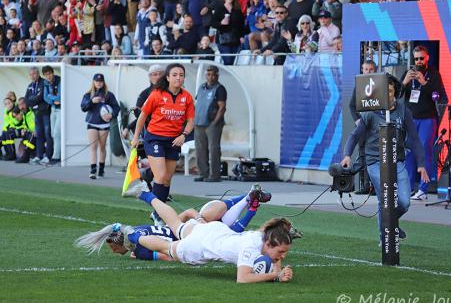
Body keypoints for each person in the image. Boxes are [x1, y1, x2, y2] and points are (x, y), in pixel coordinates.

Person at [122, 188, 294, 283]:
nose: (283, 256)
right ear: (270, 243)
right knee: (166, 248)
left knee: (175, 224)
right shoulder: (250, 248)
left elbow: (274, 255)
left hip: (214, 230)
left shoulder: (263, 236)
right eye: (281, 251)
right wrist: (275, 275)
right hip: (200, 246)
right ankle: (133, 236)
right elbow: (243, 278)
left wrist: (279, 272)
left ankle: (146, 194)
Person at [77, 184, 272, 261]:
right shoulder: (250, 242)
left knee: (172, 247)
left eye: (112, 247)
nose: (113, 251)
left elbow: (167, 255)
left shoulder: (139, 249)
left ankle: (250, 201)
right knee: (206, 220)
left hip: (192, 238)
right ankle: (248, 198)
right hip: (198, 228)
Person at [341, 75, 430, 242]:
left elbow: (415, 138)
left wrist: (421, 163)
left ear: (395, 92)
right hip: (375, 161)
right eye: (384, 91)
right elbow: (354, 136)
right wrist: (347, 155)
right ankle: (385, 238)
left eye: (390, 91)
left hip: (397, 161)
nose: (387, 95)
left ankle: (391, 224)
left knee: (404, 202)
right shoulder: (370, 113)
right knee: (386, 198)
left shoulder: (403, 110)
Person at [131, 63, 195, 203]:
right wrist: (136, 137)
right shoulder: (156, 94)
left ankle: (157, 213)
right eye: (174, 75)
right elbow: (142, 117)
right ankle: (157, 210)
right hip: (155, 138)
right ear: (167, 77)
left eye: (181, 75)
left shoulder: (187, 97)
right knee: (160, 176)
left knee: (166, 179)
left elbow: (190, 121)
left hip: (174, 140)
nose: (178, 78)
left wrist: (183, 135)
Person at [402, 45, 447, 201]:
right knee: (408, 153)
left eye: (421, 58)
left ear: (427, 57)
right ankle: (407, 188)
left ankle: (423, 189)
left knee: (424, 152)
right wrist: (405, 82)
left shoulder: (434, 74)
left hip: (428, 118)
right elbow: (396, 95)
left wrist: (424, 83)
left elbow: (439, 96)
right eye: (416, 59)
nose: (419, 61)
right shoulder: (409, 73)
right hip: (410, 119)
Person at [80, 73, 120, 179]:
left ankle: (101, 169)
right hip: (92, 123)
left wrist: (111, 115)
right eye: (97, 81)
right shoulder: (88, 94)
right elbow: (83, 107)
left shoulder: (108, 95)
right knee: (93, 147)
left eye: (101, 81)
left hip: (104, 124)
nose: (99, 83)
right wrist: (91, 102)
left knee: (102, 146)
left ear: (103, 82)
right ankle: (93, 170)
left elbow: (116, 107)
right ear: (93, 82)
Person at [193, 65, 227, 182]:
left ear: (217, 75)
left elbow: (222, 108)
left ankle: (214, 175)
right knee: (200, 149)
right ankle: (203, 173)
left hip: (212, 123)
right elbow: (198, 103)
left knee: (214, 150)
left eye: (213, 74)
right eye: (208, 74)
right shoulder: (202, 87)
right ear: (205, 75)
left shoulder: (220, 88)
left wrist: (215, 122)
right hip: (199, 123)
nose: (210, 77)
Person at [348, 60, 376, 194]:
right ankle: (366, 185)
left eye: (370, 70)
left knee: (377, 157)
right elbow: (351, 105)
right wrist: (357, 120)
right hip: (363, 128)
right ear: (362, 70)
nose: (368, 72)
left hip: (376, 127)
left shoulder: (380, 85)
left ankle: (376, 186)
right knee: (363, 155)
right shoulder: (358, 86)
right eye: (365, 69)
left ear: (375, 70)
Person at [25, 67, 52, 165]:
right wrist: (33, 100)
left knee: (48, 134)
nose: (32, 76)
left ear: (38, 74)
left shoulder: (43, 82)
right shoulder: (30, 85)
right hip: (37, 113)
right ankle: (39, 155)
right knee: (39, 135)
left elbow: (41, 97)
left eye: (34, 74)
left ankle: (48, 156)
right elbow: (26, 100)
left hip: (45, 113)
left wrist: (32, 100)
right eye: (30, 74)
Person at [211, 0, 245, 65]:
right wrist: (221, 23)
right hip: (223, 40)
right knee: (228, 61)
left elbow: (241, 25)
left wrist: (242, 36)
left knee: (232, 62)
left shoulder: (237, 10)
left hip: (235, 40)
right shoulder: (219, 8)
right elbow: (212, 23)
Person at [42, 66, 61, 165]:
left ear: (53, 73)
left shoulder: (59, 80)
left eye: (49, 74)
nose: (48, 76)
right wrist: (53, 99)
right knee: (53, 133)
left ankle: (56, 156)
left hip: (61, 110)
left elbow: (60, 97)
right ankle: (59, 153)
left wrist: (51, 97)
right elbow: (45, 97)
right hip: (53, 109)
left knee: (57, 133)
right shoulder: (45, 83)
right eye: (46, 75)